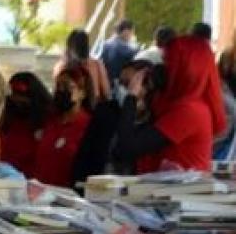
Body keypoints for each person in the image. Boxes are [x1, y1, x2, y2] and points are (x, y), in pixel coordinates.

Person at [115, 36, 227, 173]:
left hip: (180, 192)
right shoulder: (183, 105)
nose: (161, 68)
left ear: (185, 69)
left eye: (167, 62)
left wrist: (131, 96)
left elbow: (128, 146)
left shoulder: (189, 111)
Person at [33, 65, 94, 188]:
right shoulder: (50, 122)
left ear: (82, 93)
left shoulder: (88, 126)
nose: (61, 90)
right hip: (41, 192)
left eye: (66, 86)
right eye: (58, 86)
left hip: (69, 194)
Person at [0, 72, 52, 178]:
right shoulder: (8, 117)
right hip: (6, 175)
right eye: (13, 95)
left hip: (33, 177)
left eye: (21, 96)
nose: (17, 100)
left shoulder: (47, 119)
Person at [53, 29, 111, 103]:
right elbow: (107, 92)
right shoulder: (97, 65)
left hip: (70, 110)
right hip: (93, 109)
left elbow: (57, 93)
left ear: (69, 47)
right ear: (88, 46)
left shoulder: (61, 67)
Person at [100, 19, 138, 84]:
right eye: (132, 32)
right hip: (119, 85)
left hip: (106, 82)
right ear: (126, 31)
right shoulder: (125, 49)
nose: (132, 35)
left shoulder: (105, 44)